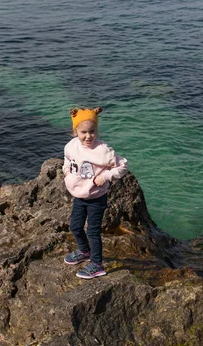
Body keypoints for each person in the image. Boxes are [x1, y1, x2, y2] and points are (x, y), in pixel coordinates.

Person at [62, 107, 128, 279]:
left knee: (92, 231)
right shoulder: (71, 146)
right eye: (83, 132)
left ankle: (97, 264)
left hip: (96, 198)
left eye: (92, 131)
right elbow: (67, 158)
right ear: (75, 130)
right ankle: (84, 251)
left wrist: (106, 175)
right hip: (79, 196)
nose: (88, 136)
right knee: (75, 227)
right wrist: (67, 171)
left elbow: (123, 165)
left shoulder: (103, 150)